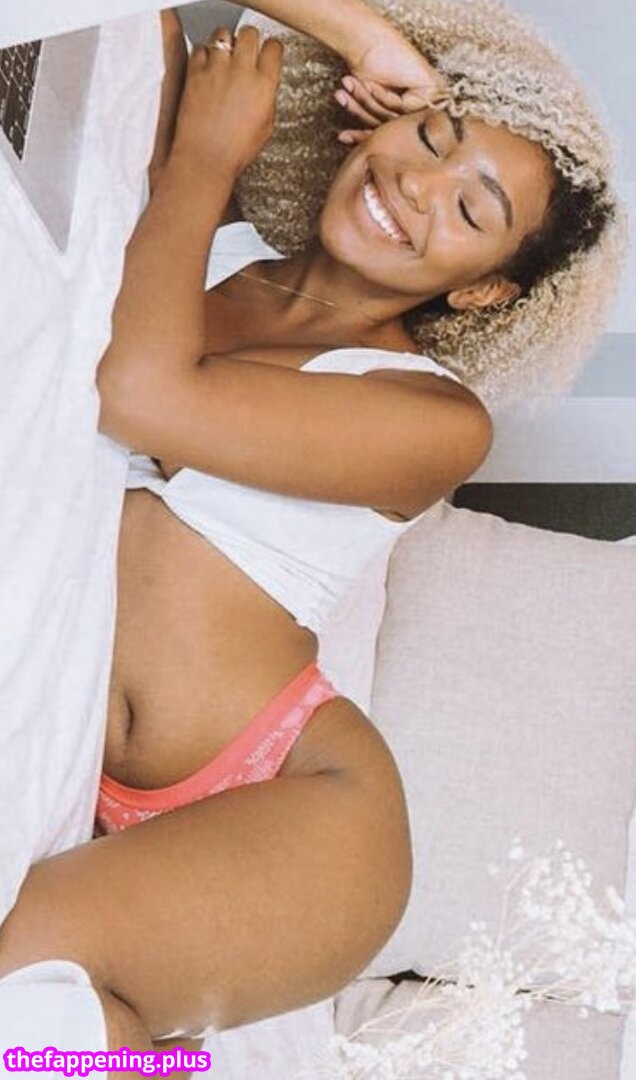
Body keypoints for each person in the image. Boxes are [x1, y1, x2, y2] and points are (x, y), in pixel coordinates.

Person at [0, 0, 624, 1057]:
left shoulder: (433, 417)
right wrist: (370, 40)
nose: (418, 187)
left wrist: (203, 158)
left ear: (481, 290)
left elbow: (139, 394)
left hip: (302, 809)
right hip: (81, 753)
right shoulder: (208, 251)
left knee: (17, 972)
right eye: (432, 137)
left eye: (469, 209)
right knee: (69, 1024)